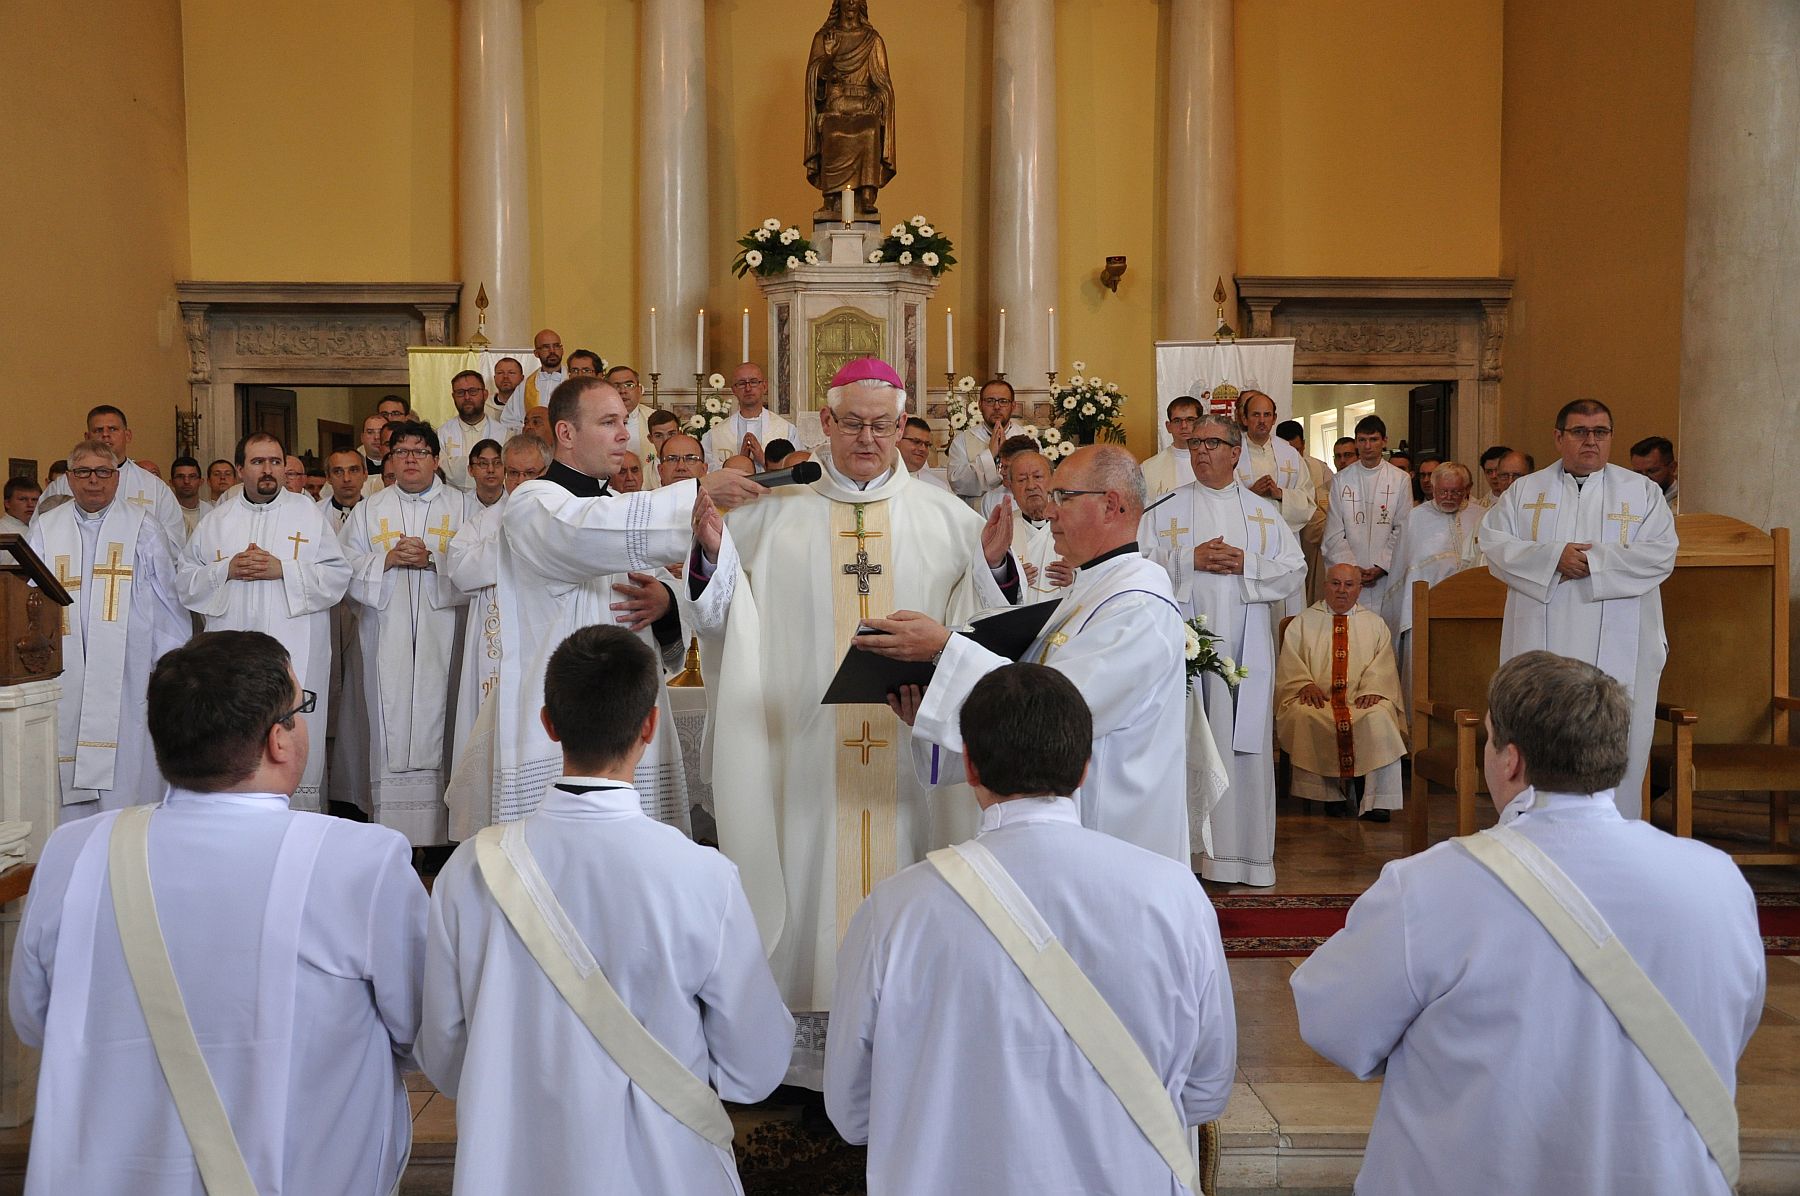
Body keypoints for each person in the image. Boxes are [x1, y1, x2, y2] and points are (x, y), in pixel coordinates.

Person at [1291, 651, 1765, 1196]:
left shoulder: (1429, 885)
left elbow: (1333, 1023)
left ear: (1510, 761)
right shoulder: (1716, 879)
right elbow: (1731, 1026)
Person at [688, 356, 1014, 1086]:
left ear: (903, 427)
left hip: (910, 747)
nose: (868, 438)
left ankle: (908, 1045)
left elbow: (984, 625)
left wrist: (991, 569)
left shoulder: (948, 519)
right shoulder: (771, 514)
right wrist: (711, 554)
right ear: (826, 423)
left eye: (883, 425)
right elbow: (720, 617)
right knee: (806, 877)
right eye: (853, 423)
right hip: (800, 749)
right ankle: (808, 1061)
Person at [9, 630, 426, 1196]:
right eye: (301, 708)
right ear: (279, 740)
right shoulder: (359, 862)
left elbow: (34, 1019)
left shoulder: (73, 852)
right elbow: (421, 1031)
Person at [825, 664, 1236, 1195]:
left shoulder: (896, 909)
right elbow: (1206, 1089)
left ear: (969, 765)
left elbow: (852, 1110)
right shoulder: (1174, 893)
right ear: (1084, 767)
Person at [420, 625, 791, 1193]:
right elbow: (755, 1067)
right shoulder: (703, 877)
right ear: (651, 725)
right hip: (663, 1173)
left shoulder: (469, 871)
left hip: (512, 1170)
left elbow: (444, 1057)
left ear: (548, 724)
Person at [865, 443, 1189, 863]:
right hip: (1066, 834)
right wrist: (943, 701)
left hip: (1110, 837)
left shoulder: (1138, 607)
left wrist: (945, 650)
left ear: (1111, 506)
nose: (1049, 511)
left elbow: (1058, 712)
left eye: (1063, 497)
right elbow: (1033, 668)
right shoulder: (1094, 588)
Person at [478, 376, 764, 839]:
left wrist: (669, 600)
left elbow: (667, 596)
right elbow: (579, 534)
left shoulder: (626, 508)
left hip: (633, 704)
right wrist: (697, 489)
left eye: (625, 422)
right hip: (563, 712)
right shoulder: (532, 503)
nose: (624, 435)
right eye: (609, 422)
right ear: (566, 433)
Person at [1480, 399, 1676, 817]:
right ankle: (1531, 831)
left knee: (1617, 733)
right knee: (1537, 729)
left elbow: (1662, 554)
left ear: (1610, 437)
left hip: (1621, 643)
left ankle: (1613, 829)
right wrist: (1553, 558)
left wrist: (1594, 563)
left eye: (1600, 432)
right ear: (1559, 437)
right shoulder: (1524, 492)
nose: (1591, 440)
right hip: (1541, 642)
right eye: (1580, 431)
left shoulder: (1641, 493)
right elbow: (1494, 544)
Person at [1140, 416, 1305, 884]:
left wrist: (1247, 564)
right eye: (1195, 443)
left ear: (1235, 452)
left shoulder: (1262, 512)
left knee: (1242, 745)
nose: (1200, 450)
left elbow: (1295, 570)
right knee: (1188, 739)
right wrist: (1187, 560)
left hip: (1245, 649)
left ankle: (1242, 855)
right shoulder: (1164, 509)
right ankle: (1188, 855)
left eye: (1211, 443)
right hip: (1183, 650)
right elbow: (1137, 565)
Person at [180, 432, 350, 812]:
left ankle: (298, 825)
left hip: (295, 652)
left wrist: (284, 570)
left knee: (291, 737)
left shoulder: (308, 515)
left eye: (275, 461)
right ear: (240, 469)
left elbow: (338, 577)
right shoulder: (217, 521)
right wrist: (225, 570)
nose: (268, 470)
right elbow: (185, 582)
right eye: (258, 462)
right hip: (232, 660)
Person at [28, 439, 190, 820]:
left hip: (129, 672)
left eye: (103, 472)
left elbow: (168, 602)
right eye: (83, 472)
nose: (93, 481)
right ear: (70, 478)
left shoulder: (143, 528)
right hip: (63, 669)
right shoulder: (46, 528)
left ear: (116, 478)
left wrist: (165, 668)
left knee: (128, 762)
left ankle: (126, 836)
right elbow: (28, 594)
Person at [340, 421, 466, 846]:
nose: (411, 459)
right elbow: (342, 565)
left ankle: (444, 834)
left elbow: (479, 564)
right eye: (402, 451)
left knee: (445, 710)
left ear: (436, 459)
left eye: (420, 451)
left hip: (443, 631)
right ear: (390, 460)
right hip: (386, 630)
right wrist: (387, 561)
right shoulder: (369, 510)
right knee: (387, 712)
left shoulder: (462, 507)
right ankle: (393, 835)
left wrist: (434, 561)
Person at [443, 434, 550, 840]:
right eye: (514, 473)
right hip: (496, 655)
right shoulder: (483, 523)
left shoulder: (561, 515)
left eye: (530, 473)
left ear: (545, 472)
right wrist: (511, 540)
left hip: (543, 650)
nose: (520, 482)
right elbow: (461, 571)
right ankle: (486, 833)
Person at [1276, 564, 1407, 821]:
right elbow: (1290, 662)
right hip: (1318, 699)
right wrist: (1304, 684)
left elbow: (1383, 665)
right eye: (1335, 583)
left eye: (1349, 585)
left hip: (1360, 699)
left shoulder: (1375, 624)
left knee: (1380, 715)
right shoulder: (1302, 622)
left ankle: (1376, 800)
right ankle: (1327, 796)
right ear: (1325, 586)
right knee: (1306, 715)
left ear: (1359, 589)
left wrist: (1374, 688)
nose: (1342, 590)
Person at [1382, 460, 1483, 697]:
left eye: (1456, 492)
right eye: (1443, 491)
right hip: (1425, 610)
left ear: (1467, 489)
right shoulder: (1416, 519)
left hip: (1472, 610)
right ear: (1433, 488)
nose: (1448, 497)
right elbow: (1404, 569)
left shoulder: (1480, 516)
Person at [37, 405, 187, 548]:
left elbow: (173, 541)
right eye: (98, 430)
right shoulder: (63, 484)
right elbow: (40, 531)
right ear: (87, 437)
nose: (105, 435)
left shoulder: (154, 487)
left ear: (127, 435)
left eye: (113, 429)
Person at [1234, 393, 1316, 609]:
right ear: (1244, 418)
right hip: (1248, 543)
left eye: (1267, 415)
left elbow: (1308, 499)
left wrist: (1280, 494)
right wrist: (1251, 492)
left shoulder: (1289, 453)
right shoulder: (1232, 451)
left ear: (1274, 418)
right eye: (1256, 415)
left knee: (1285, 610)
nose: (1262, 420)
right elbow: (1220, 496)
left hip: (1283, 542)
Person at [1321, 414, 1409, 614]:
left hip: (1385, 575)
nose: (1367, 446)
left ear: (1384, 441)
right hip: (1349, 577)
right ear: (1356, 443)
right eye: (1362, 440)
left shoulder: (1400, 479)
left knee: (1384, 626)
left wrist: (1382, 565)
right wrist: (1353, 567)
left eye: (1373, 439)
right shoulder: (1341, 480)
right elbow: (1334, 531)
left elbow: (1403, 527)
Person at [946, 378, 1026, 509]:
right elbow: (957, 484)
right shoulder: (962, 441)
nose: (997, 407)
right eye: (990, 401)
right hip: (976, 516)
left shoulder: (1027, 439)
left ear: (1013, 406)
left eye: (1003, 401)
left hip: (1018, 514)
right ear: (980, 405)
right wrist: (990, 454)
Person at [1279, 418, 1334, 603]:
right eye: (1288, 451)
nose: (1294, 456)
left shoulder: (1319, 468)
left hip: (1313, 542)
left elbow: (1329, 505)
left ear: (1304, 444)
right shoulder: (1273, 468)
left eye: (1297, 450)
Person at [707, 362, 796, 469]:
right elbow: (706, 472)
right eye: (741, 383)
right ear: (734, 390)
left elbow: (796, 470)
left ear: (764, 386)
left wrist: (763, 460)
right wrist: (741, 462)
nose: (748, 388)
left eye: (754, 382)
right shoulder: (715, 435)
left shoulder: (787, 430)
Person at [438, 370, 508, 492]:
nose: (467, 397)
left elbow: (505, 472)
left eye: (473, 391)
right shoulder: (442, 434)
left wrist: (455, 465)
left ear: (485, 394)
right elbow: (440, 471)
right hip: (453, 498)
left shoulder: (504, 434)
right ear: (453, 397)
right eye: (460, 393)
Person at [1003, 445, 1059, 596]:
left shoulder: (1076, 525)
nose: (1031, 486)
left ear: (1053, 481)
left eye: (1038, 477)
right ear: (1011, 488)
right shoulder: (1001, 530)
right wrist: (1010, 582)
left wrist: (1076, 577)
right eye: (1022, 480)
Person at [1143, 396, 1201, 499]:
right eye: (1177, 421)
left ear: (1201, 423)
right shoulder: (1148, 469)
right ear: (1168, 426)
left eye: (1190, 420)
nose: (1184, 426)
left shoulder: (1217, 463)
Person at [898, 416, 950, 491]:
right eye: (916, 442)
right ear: (897, 440)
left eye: (927, 444)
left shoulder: (938, 488)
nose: (923, 449)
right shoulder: (881, 479)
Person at [1630, 434, 1680, 512]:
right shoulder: (1629, 498)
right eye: (1638, 473)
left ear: (1672, 468)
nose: (1645, 478)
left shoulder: (1685, 501)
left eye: (1652, 471)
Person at [522, 327, 566, 412]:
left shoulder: (573, 380)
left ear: (562, 350)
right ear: (536, 353)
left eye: (556, 346)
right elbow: (511, 417)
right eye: (546, 347)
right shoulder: (525, 386)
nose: (552, 351)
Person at [321, 448, 366, 530]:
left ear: (365, 475)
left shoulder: (376, 512)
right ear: (328, 478)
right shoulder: (315, 513)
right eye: (338, 472)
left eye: (354, 470)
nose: (346, 479)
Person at [167, 456, 211, 539]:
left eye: (192, 476)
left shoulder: (211, 512)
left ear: (201, 481)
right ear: (171, 482)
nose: (186, 481)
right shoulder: (166, 512)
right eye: (180, 476)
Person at [463, 438, 505, 512]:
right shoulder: (462, 505)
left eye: (497, 463)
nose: (491, 470)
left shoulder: (515, 502)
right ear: (470, 470)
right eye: (483, 463)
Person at [488, 355, 527, 431]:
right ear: (494, 378)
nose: (505, 376)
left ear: (522, 378)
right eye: (500, 373)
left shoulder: (529, 404)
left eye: (511, 373)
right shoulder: (484, 407)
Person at [1475, 443, 1512, 507]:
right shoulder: (1477, 507)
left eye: (1498, 470)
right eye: (1489, 472)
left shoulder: (1524, 501)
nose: (1493, 476)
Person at [360, 412, 391, 482]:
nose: (376, 437)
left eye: (381, 432)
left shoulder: (401, 467)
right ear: (362, 437)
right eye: (370, 432)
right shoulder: (355, 469)